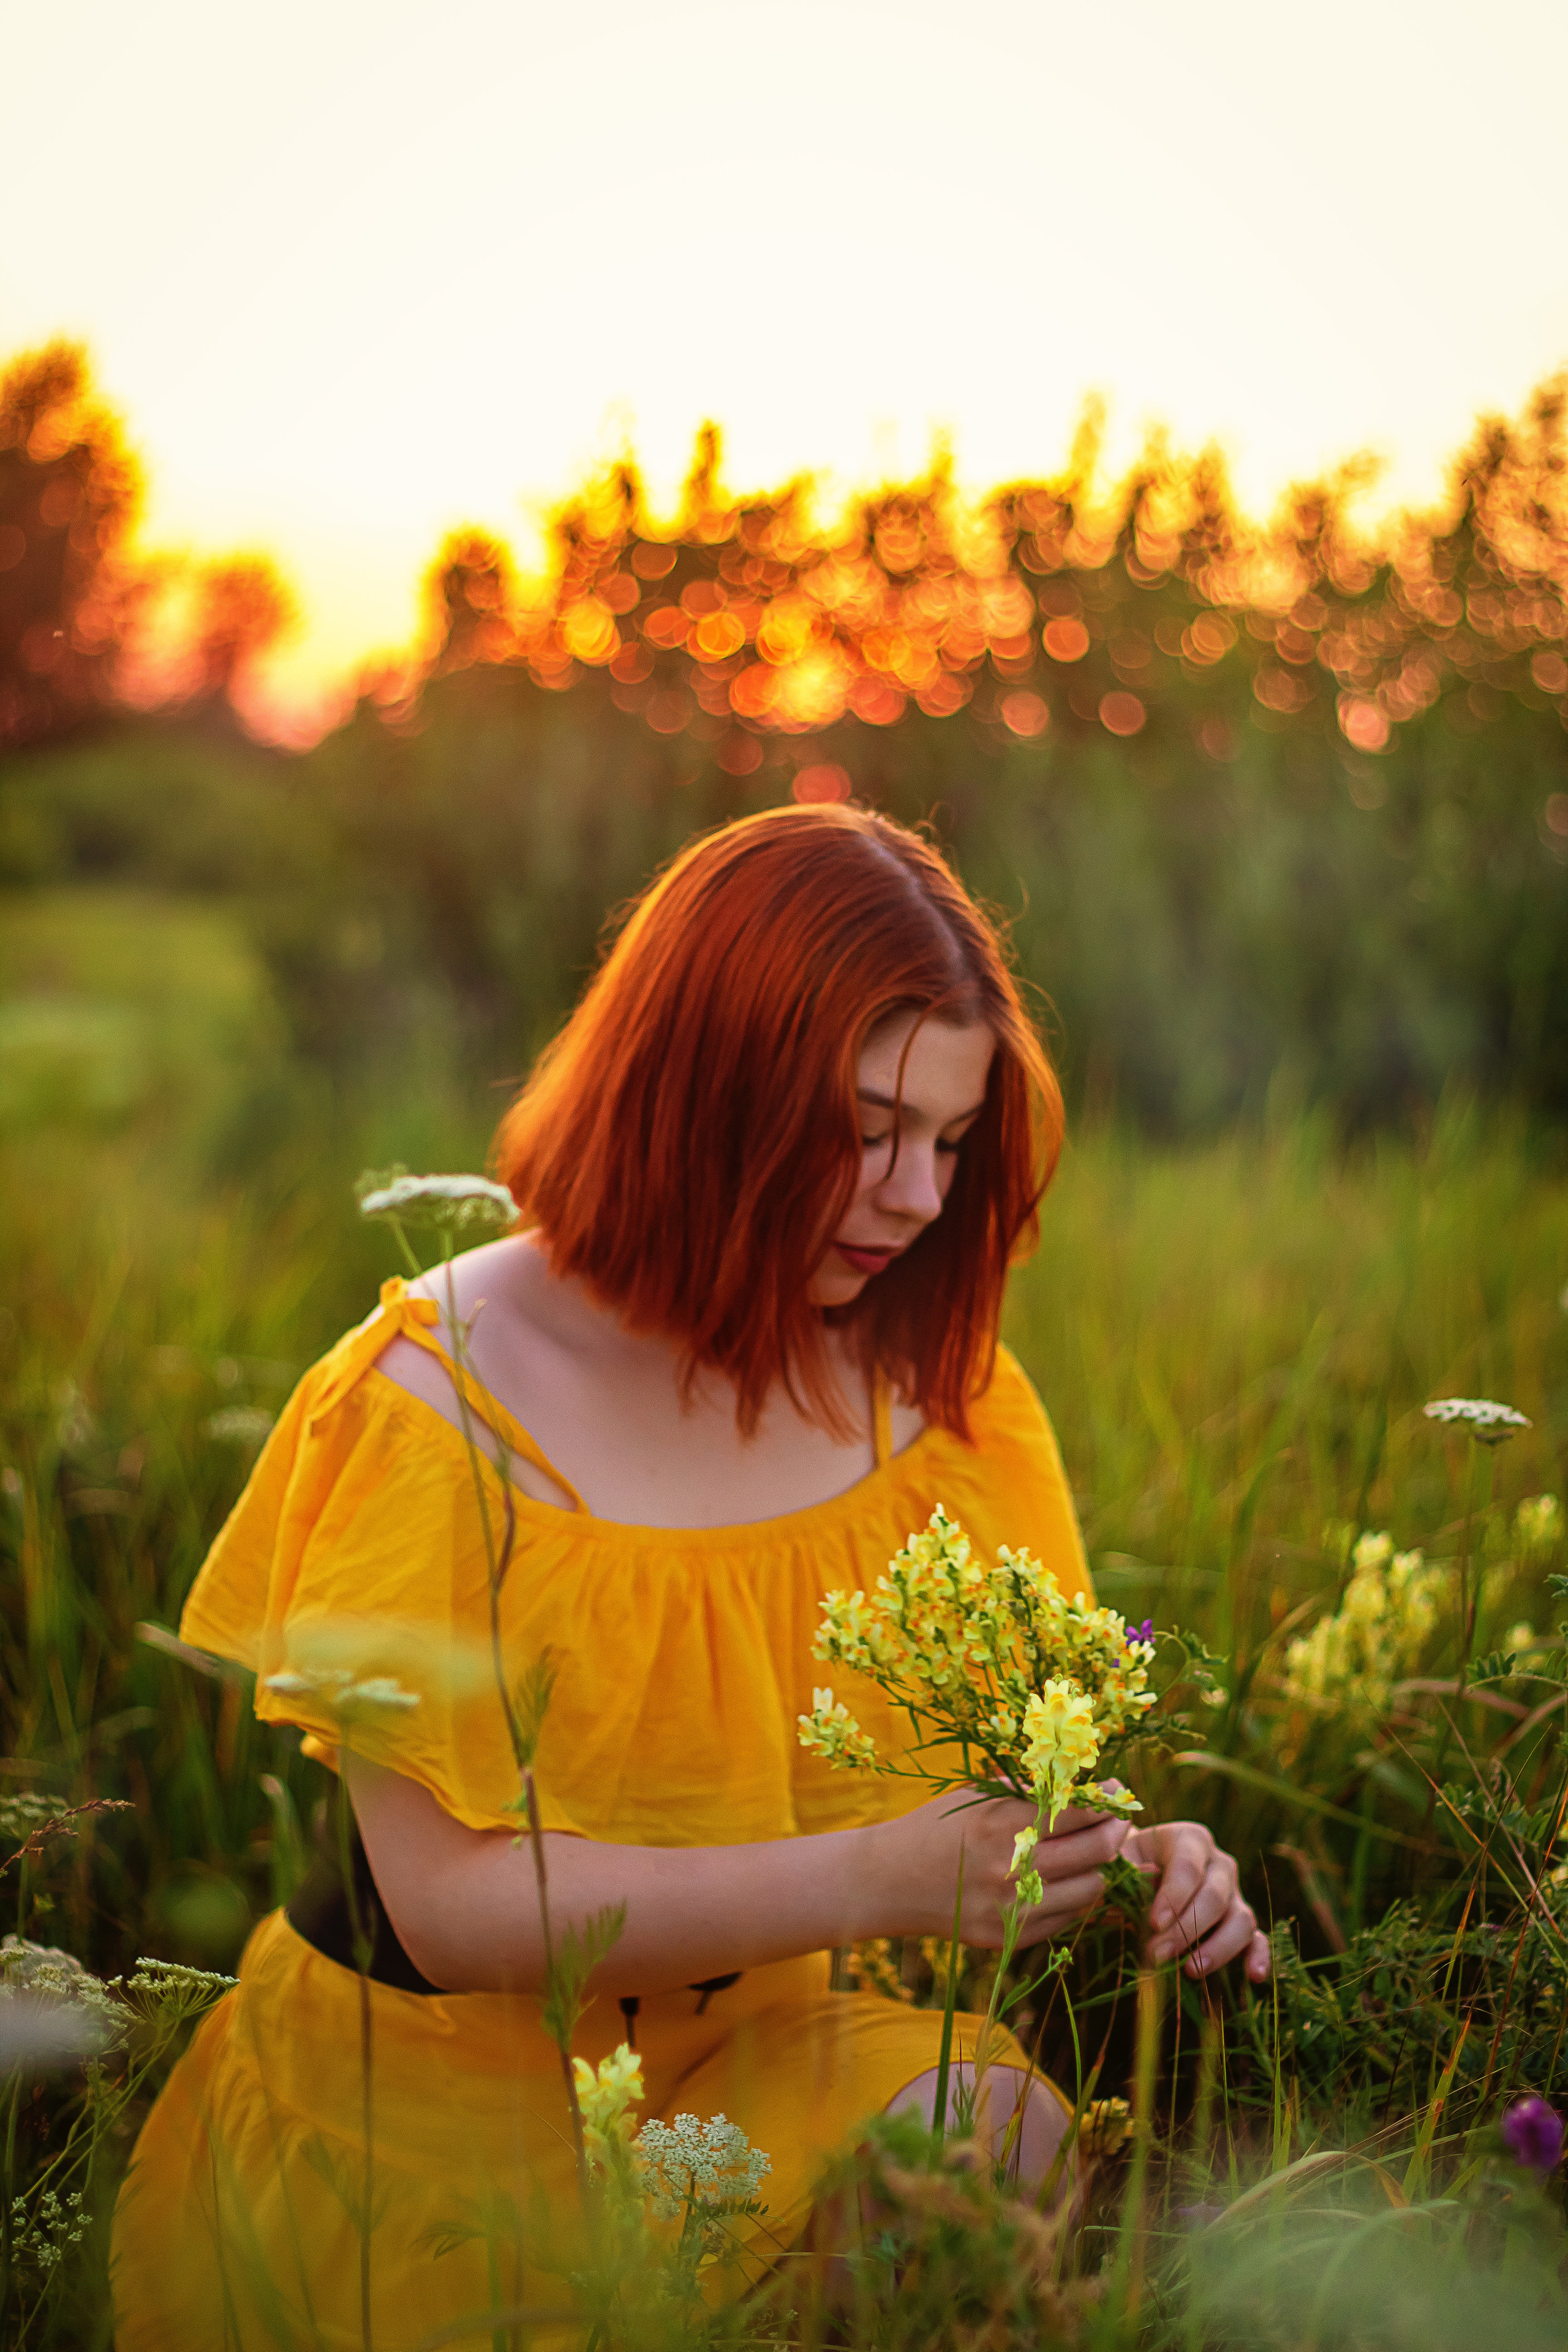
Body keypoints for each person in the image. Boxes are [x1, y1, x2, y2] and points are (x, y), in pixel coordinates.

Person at [111, 803, 1267, 2347]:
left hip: (766, 2058)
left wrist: (1132, 1861)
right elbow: (451, 1904)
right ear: (702, 1095)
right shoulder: (442, 1395)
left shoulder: (938, 1397)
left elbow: (1003, 1798)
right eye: (863, 1132)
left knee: (995, 2139)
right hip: (435, 2107)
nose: (917, 1198)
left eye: (945, 1138)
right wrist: (874, 1878)